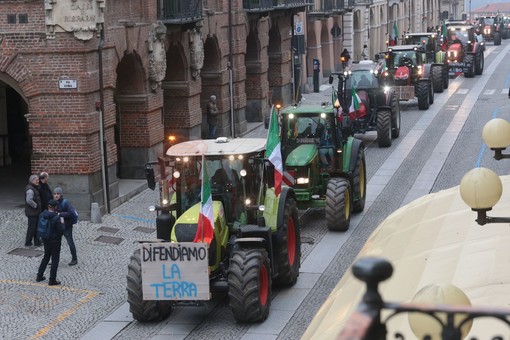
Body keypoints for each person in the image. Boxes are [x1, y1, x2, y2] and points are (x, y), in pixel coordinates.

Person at [36, 199, 65, 286]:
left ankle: (39, 275)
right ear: (55, 207)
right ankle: (52, 280)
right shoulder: (56, 218)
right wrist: (62, 221)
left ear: (48, 206)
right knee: (55, 260)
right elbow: (61, 230)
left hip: (45, 239)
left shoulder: (42, 214)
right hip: (55, 241)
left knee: (46, 256)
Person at [53, 187, 78, 266]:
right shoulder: (53, 202)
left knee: (70, 242)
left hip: (66, 226)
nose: (56, 195)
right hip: (58, 226)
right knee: (56, 243)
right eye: (55, 194)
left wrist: (60, 214)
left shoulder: (65, 202)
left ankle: (74, 258)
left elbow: (70, 213)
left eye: (58, 194)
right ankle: (54, 259)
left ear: (61, 195)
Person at [25, 174, 42, 247]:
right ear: (32, 181)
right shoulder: (30, 189)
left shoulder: (33, 187)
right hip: (32, 212)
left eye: (38, 180)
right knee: (32, 228)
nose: (38, 181)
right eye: (36, 180)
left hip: (34, 212)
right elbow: (29, 200)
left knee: (36, 227)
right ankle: (28, 242)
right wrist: (36, 206)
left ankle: (37, 242)